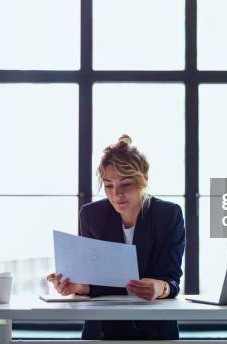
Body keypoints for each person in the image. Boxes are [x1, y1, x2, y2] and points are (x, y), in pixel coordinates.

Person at [46, 134, 186, 340]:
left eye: (126, 184)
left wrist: (160, 288)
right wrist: (77, 286)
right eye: (109, 185)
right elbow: (96, 280)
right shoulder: (91, 215)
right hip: (103, 328)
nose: (116, 194)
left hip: (155, 327)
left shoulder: (168, 215)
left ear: (143, 178)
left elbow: (171, 279)